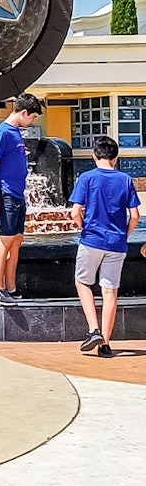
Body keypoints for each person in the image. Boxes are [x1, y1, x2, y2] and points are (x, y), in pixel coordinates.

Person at [69, 136, 141, 357]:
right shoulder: (125, 180)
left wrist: (83, 228)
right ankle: (106, 345)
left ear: (94, 156)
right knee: (110, 291)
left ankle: (93, 330)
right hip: (117, 244)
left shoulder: (87, 178)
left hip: (91, 240)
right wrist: (124, 234)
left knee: (82, 282)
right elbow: (135, 216)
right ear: (115, 158)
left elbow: (74, 212)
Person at [0, 93, 42, 306]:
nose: (33, 121)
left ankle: (11, 287)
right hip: (6, 194)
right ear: (24, 112)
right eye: (33, 117)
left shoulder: (16, 132)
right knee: (5, 240)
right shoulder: (3, 132)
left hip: (18, 194)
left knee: (16, 240)